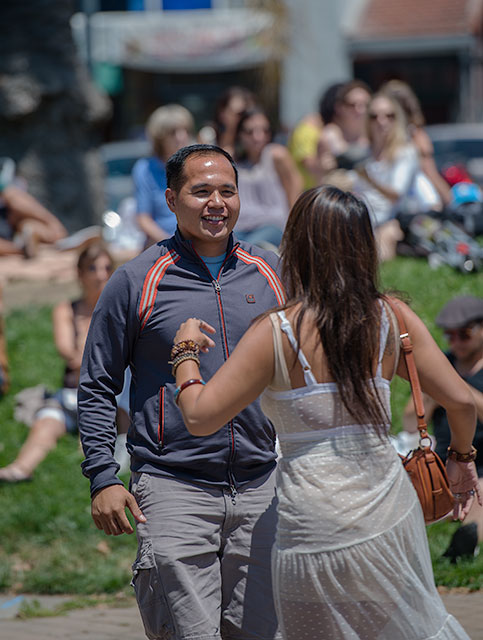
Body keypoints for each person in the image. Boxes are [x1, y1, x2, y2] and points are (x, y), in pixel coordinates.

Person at [171, 185, 480, 639]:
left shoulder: (277, 331)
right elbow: (462, 401)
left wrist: (184, 354)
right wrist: (462, 458)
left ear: (297, 246)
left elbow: (200, 417)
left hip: (311, 523)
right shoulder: (391, 317)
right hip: (386, 514)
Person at [78, 144, 285, 640]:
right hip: (173, 489)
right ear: (171, 200)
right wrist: (103, 477)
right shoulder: (135, 280)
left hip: (262, 487)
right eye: (201, 191)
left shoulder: (272, 270)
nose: (217, 203)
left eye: (227, 191)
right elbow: (98, 383)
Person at [0, 243, 129, 483]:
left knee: (95, 438)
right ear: (80, 274)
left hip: (112, 398)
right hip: (72, 393)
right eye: (93, 268)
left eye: (107, 268)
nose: (101, 275)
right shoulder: (67, 309)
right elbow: (68, 353)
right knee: (46, 424)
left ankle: (101, 463)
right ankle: (20, 469)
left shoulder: (121, 309)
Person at [402, 295, 483, 561]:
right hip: (442, 463)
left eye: (464, 334)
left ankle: (466, 541)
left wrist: (456, 392)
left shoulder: (451, 374)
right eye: (449, 335)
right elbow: (409, 423)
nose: (455, 342)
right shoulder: (444, 363)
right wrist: (431, 396)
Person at [352, 91, 441, 261]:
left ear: (397, 119)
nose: (382, 121)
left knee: (378, 251)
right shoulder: (363, 152)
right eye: (374, 116)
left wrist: (368, 178)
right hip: (359, 218)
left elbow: (395, 194)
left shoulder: (405, 152)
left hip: (391, 220)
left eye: (389, 116)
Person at [234, 107, 302, 249]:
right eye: (250, 131)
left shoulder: (277, 155)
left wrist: (294, 229)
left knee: (247, 249)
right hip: (239, 226)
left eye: (264, 131)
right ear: (240, 134)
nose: (258, 137)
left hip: (271, 224)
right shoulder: (234, 160)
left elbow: (294, 189)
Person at [381, 79, 452, 207]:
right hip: (416, 203)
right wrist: (450, 200)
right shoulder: (416, 135)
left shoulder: (377, 137)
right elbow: (429, 171)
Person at [132, 104, 194, 247]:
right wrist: (172, 243)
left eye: (185, 130)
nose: (181, 137)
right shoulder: (145, 169)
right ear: (160, 138)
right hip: (163, 244)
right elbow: (143, 219)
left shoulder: (197, 165)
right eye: (173, 132)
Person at [0, 161, 67, 259]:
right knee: (13, 196)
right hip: (9, 241)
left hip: (14, 225)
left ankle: (53, 228)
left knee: (13, 197)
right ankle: (23, 246)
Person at [316, 80, 371, 185]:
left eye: (365, 105)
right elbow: (320, 179)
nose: (360, 110)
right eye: (352, 105)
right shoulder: (328, 136)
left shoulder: (375, 134)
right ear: (339, 107)